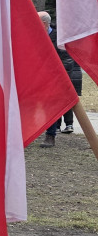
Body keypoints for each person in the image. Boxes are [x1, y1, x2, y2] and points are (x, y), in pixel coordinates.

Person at [39, 11, 83, 147]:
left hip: (55, 78)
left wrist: (55, 76)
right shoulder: (37, 37)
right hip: (39, 78)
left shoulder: (59, 38)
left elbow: (67, 60)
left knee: (50, 106)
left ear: (45, 24)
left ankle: (50, 136)